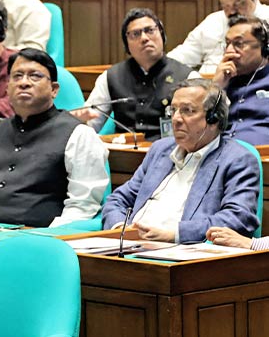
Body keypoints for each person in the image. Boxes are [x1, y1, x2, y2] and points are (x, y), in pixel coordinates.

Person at [0, 48, 108, 227]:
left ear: (54, 90)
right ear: (7, 89)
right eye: (17, 76)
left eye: (35, 76)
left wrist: (45, 240)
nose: (24, 82)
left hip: (38, 238)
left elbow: (82, 206)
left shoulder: (79, 135)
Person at [103, 79, 260, 243]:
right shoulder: (160, 150)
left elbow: (238, 217)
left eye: (188, 111)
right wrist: (121, 229)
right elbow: (118, 200)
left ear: (214, 119)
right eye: (173, 110)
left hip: (182, 253)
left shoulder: (237, 159)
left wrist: (175, 235)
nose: (176, 119)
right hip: (128, 245)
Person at [75, 8, 198, 141]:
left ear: (161, 34)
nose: (144, 38)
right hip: (123, 156)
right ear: (127, 45)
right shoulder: (111, 77)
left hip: (171, 155)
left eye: (150, 30)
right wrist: (79, 121)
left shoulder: (188, 77)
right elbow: (89, 123)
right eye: (135, 34)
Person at [168, 0, 269, 75]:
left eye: (238, 3)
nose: (231, 12)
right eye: (226, 6)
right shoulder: (213, 21)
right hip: (207, 84)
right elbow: (183, 55)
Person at [212, 15, 269, 145]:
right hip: (219, 157)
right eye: (227, 44)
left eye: (239, 44)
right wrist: (216, 87)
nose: (229, 51)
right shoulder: (223, 80)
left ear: (264, 47)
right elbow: (199, 127)